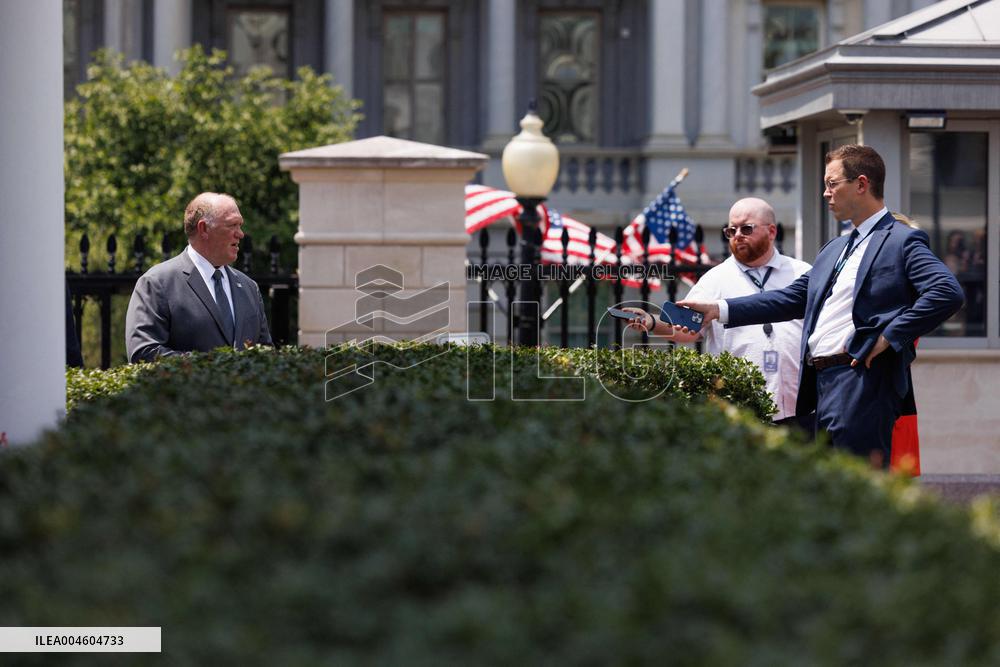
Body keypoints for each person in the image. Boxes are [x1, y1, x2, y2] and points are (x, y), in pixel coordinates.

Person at [676, 145, 963, 466]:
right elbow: (793, 298)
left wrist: (890, 336)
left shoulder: (900, 239)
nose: (825, 193)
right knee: (829, 488)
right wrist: (718, 309)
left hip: (861, 382)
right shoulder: (836, 248)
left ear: (861, 184)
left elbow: (946, 291)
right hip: (821, 386)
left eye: (832, 183)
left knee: (858, 488)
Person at [624, 197, 811, 425]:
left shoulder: (802, 272)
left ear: (771, 232)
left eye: (746, 228)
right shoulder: (715, 278)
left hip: (800, 405)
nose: (737, 235)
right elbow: (687, 330)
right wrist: (651, 322)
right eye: (731, 230)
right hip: (740, 407)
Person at [125, 192, 272, 363]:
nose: (240, 234)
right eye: (232, 225)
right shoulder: (157, 283)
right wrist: (213, 366)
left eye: (240, 225)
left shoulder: (249, 287)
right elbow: (143, 353)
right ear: (204, 229)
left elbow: (265, 354)